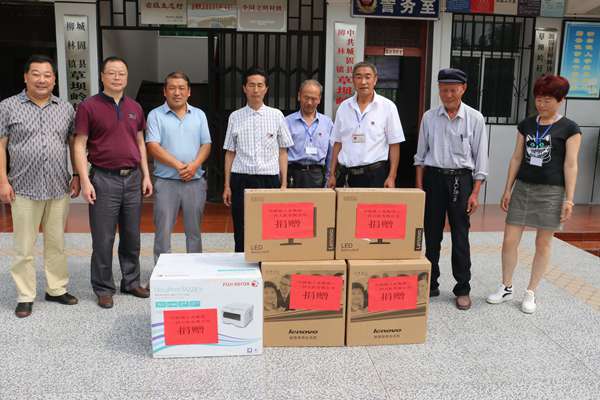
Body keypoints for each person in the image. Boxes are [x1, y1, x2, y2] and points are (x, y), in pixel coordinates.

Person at [487, 75, 581, 314]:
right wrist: (507, 188)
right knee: (509, 240)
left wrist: (569, 199)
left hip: (552, 192)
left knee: (543, 243)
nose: (541, 104)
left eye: (547, 100)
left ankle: (531, 291)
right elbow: (517, 157)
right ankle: (506, 286)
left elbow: (571, 164)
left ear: (561, 100)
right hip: (523, 188)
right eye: (539, 99)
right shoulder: (527, 125)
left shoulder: (570, 128)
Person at [0, 55, 80, 318]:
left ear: (54, 79)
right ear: (26, 77)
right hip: (23, 187)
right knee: (23, 246)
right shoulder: (8, 106)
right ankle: (25, 295)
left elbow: (73, 144)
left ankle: (56, 289)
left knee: (56, 243)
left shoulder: (65, 108)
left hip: (58, 187)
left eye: (47, 75)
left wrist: (76, 174)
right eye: (36, 74)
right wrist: (2, 180)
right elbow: (1, 145)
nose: (42, 79)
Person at [74, 56, 152, 309]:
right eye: (112, 73)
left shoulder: (135, 107)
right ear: (102, 76)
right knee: (103, 238)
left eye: (122, 73)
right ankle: (103, 288)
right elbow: (79, 145)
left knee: (132, 236)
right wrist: (85, 180)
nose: (117, 77)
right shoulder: (89, 106)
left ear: (127, 77)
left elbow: (140, 142)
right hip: (103, 179)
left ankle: (131, 281)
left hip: (132, 179)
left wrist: (146, 175)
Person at [414, 68, 488, 311]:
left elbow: (481, 159)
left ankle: (463, 288)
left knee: (460, 235)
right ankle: (431, 283)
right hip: (434, 179)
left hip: (462, 181)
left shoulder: (475, 118)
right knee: (431, 233)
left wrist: (475, 192)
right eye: (443, 90)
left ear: (463, 89)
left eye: (453, 90)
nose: (447, 95)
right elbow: (420, 157)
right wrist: (419, 188)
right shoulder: (429, 117)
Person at [222, 68, 293, 252]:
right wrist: (227, 185)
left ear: (266, 89)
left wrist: (284, 183)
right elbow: (230, 153)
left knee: (269, 225)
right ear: (244, 88)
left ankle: (266, 262)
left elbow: (283, 151)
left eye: (260, 85)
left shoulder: (276, 115)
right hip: (241, 178)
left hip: (269, 179)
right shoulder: (235, 117)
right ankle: (241, 261)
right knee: (241, 224)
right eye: (251, 85)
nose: (255, 90)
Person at [146, 71, 211, 264]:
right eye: (172, 88)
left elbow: (206, 144)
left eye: (181, 88)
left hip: (195, 181)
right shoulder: (155, 115)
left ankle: (195, 269)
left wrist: (194, 166)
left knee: (194, 232)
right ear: (164, 91)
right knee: (163, 231)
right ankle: (162, 271)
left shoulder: (199, 115)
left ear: (189, 91)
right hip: (166, 182)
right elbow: (153, 146)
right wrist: (180, 166)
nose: (177, 92)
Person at [327, 61, 405, 188]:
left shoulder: (388, 107)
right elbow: (337, 143)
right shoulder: (344, 107)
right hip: (346, 175)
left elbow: (394, 144)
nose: (363, 82)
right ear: (353, 80)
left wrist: (392, 177)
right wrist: (332, 174)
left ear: (375, 80)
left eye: (368, 77)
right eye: (358, 77)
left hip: (375, 176)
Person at [285, 79, 333, 188]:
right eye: (306, 97)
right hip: (293, 174)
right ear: (299, 96)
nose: (309, 102)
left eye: (314, 99)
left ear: (319, 99)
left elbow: (330, 155)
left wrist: (329, 177)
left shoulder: (327, 123)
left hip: (317, 175)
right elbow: (282, 153)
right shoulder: (287, 122)